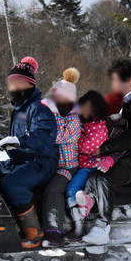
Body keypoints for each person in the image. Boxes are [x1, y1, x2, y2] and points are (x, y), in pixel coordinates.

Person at [80, 59, 131, 245]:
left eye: (114, 80)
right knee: (92, 174)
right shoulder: (127, 104)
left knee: (104, 177)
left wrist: (103, 149)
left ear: (128, 80)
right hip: (123, 156)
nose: (112, 85)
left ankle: (102, 226)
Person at [0, 57, 58, 249]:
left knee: (13, 183)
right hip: (22, 161)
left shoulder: (39, 107)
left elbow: (44, 138)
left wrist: (19, 142)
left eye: (18, 83)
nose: (14, 87)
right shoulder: (20, 108)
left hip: (41, 163)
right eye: (11, 83)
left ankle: (33, 232)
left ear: (29, 84)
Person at [66, 91, 129, 238]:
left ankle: (78, 225)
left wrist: (77, 137)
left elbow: (87, 148)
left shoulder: (99, 128)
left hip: (91, 166)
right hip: (82, 164)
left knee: (71, 190)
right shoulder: (86, 123)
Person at [40, 68, 82, 248]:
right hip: (51, 164)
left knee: (53, 189)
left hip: (69, 167)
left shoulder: (74, 119)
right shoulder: (51, 113)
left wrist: (54, 114)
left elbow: (58, 137)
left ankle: (54, 232)